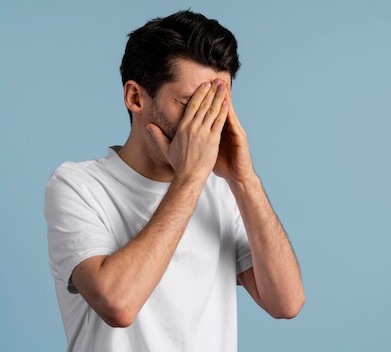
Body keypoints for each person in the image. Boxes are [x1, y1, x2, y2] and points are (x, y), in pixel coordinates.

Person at [44, 10, 305, 351]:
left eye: (216, 106)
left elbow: (286, 303)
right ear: (136, 97)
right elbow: (118, 304)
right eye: (189, 104)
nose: (205, 122)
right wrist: (191, 176)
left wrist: (244, 180)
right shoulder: (78, 185)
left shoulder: (225, 189)